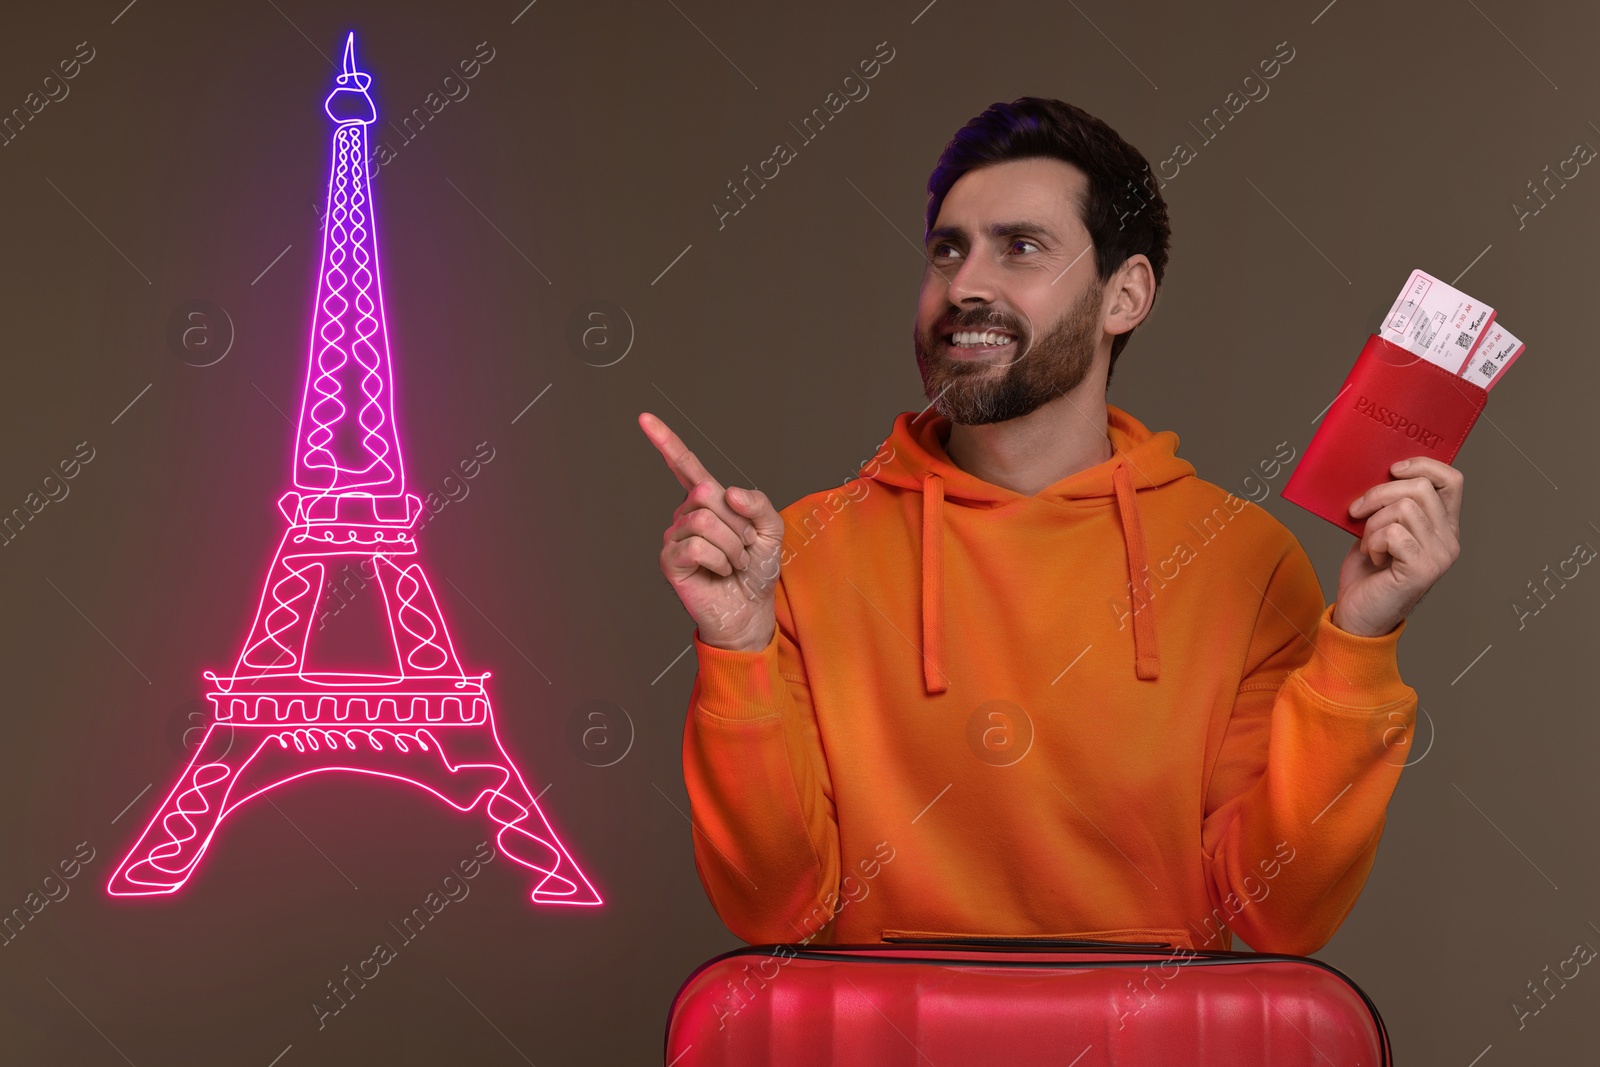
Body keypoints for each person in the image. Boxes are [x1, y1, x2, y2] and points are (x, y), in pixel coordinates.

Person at [639, 97, 1459, 955]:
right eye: (947, 250)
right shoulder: (803, 551)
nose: (964, 286)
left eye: (1020, 247)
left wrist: (1360, 643)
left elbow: (1280, 915)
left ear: (1126, 295)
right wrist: (737, 648)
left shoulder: (1244, 561)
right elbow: (776, 908)